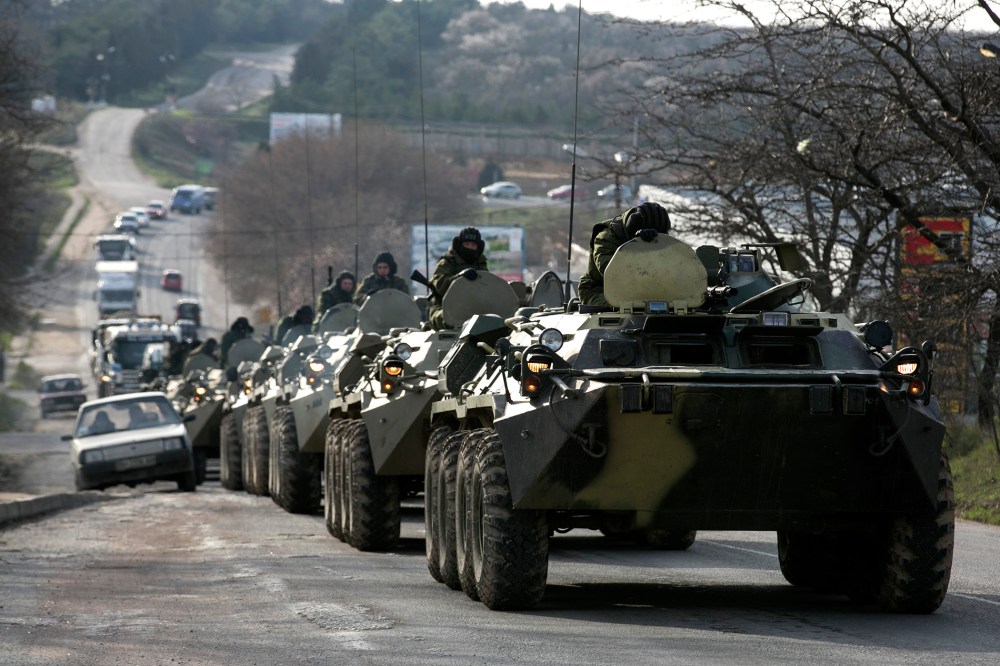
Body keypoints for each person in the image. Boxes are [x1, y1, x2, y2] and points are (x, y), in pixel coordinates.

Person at [578, 202, 672, 307]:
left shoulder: (659, 237)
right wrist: (637, 244)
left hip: (646, 291)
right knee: (626, 307)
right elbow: (613, 273)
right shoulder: (606, 237)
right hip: (600, 290)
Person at [428, 226, 488, 329]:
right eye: (467, 244)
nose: (469, 247)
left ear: (478, 247)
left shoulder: (480, 263)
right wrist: (459, 277)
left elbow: (487, 286)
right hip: (445, 310)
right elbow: (439, 285)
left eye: (473, 245)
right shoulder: (448, 261)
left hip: (475, 311)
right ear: (460, 244)